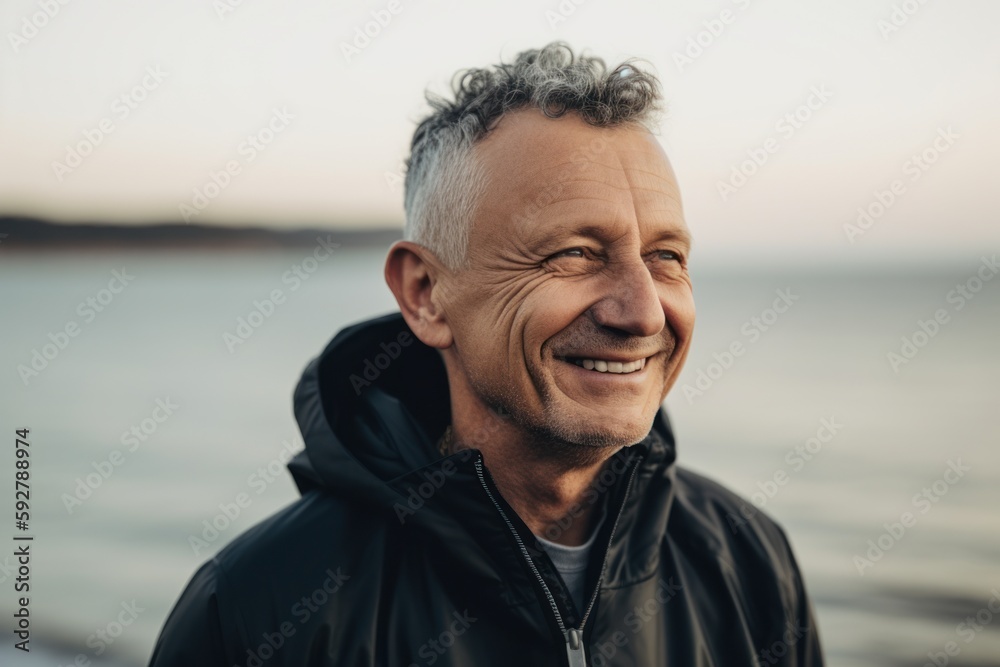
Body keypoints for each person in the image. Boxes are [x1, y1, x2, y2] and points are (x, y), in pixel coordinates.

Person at [149, 42, 825, 667]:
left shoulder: (748, 561)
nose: (644, 310)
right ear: (427, 293)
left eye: (666, 257)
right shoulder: (260, 607)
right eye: (574, 253)